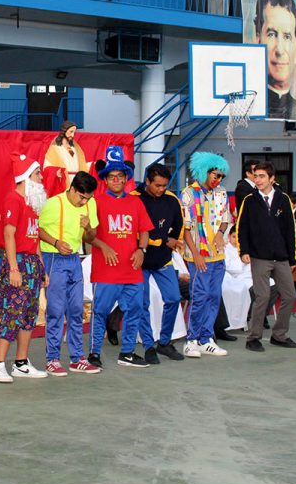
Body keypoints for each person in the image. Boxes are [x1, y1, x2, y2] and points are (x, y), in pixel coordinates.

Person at [87, 147, 153, 368]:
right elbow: (87, 234)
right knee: (100, 312)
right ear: (105, 179)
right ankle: (94, 353)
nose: (116, 180)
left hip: (131, 270)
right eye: (111, 176)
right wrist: (101, 245)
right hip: (106, 270)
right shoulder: (95, 202)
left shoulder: (135, 202)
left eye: (120, 176)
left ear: (126, 178)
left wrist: (141, 250)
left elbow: (144, 230)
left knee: (135, 310)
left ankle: (127, 352)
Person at [0, 154, 49, 382]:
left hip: (32, 263)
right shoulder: (13, 199)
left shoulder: (33, 202)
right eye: (37, 174)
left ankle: (21, 363)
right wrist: (14, 268)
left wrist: (42, 268)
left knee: (29, 314)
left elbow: (34, 239)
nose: (41, 178)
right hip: (19, 262)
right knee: (11, 312)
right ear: (25, 178)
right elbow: (9, 234)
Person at [38, 171, 100, 375]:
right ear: (72, 189)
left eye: (88, 198)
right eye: (81, 197)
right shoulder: (53, 204)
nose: (84, 202)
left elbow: (91, 237)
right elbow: (36, 229)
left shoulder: (90, 204)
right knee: (55, 310)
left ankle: (77, 358)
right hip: (53, 258)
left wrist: (88, 227)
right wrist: (55, 242)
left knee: (76, 309)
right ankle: (52, 359)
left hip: (74, 260)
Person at [238, 162, 296, 352]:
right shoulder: (249, 200)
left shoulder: (283, 200)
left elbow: (290, 230)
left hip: (281, 257)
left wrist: (292, 258)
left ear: (272, 179)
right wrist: (244, 251)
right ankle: (253, 337)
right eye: (255, 176)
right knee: (262, 296)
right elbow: (242, 227)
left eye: (262, 176)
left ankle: (279, 335)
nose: (258, 180)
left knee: (290, 295)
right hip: (259, 257)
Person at [180, 152, 232, 357]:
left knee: (214, 297)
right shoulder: (189, 194)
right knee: (199, 296)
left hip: (218, 255)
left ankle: (206, 338)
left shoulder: (221, 193)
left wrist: (220, 233)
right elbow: (185, 229)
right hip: (198, 256)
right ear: (204, 171)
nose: (218, 180)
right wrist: (196, 254)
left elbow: (226, 219)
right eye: (215, 175)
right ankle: (191, 339)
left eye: (221, 176)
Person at [132, 164, 185, 362]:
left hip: (163, 260)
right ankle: (148, 346)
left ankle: (164, 343)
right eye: (157, 185)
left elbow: (178, 228)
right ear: (147, 181)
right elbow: (135, 232)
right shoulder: (134, 198)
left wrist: (166, 241)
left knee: (173, 298)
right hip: (141, 260)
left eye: (164, 185)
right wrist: (162, 239)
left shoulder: (172, 200)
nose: (161, 189)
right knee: (142, 304)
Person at [253, 0, 296, 122]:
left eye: (287, 37)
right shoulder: (249, 105)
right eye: (271, 34)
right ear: (258, 39)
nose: (280, 50)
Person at [43, 121, 87, 195]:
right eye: (71, 132)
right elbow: (47, 166)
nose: (73, 135)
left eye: (74, 132)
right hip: (63, 181)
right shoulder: (55, 148)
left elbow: (80, 164)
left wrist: (93, 164)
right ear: (64, 131)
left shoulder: (73, 148)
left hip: (76, 182)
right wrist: (56, 171)